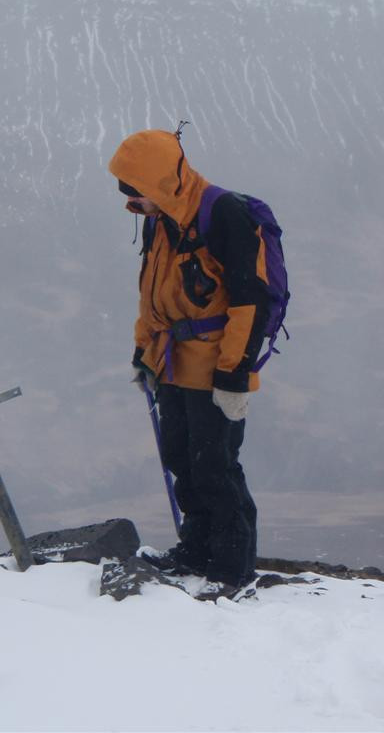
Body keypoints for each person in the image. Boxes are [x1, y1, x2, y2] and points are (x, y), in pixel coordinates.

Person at [108, 125, 271, 599]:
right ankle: (196, 550)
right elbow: (151, 294)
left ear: (160, 182)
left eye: (136, 194)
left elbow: (249, 301)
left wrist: (234, 377)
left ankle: (232, 569)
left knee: (216, 464)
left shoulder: (224, 215)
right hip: (170, 361)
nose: (131, 205)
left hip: (215, 366)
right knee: (182, 457)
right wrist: (144, 354)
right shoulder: (160, 219)